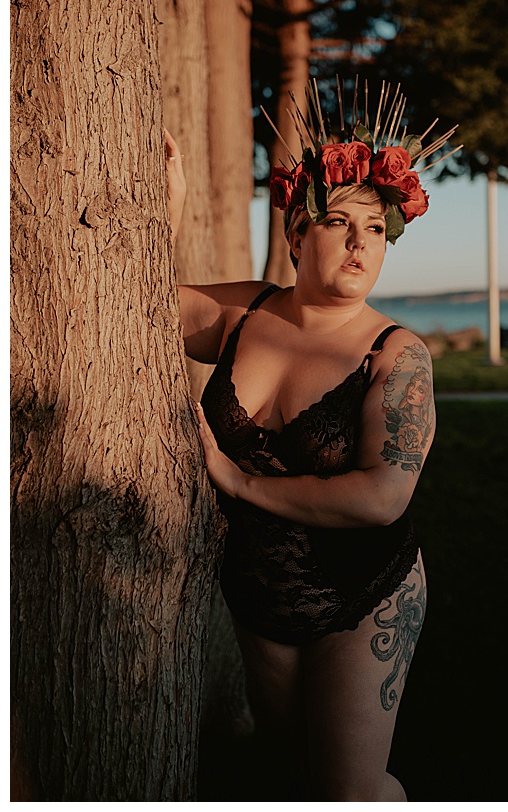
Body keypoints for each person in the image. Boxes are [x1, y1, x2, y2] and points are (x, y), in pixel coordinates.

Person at [164, 82, 457, 800]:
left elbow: (382, 494)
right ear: (297, 234)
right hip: (259, 594)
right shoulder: (246, 314)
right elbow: (138, 302)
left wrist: (240, 484)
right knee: (295, 779)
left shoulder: (395, 353)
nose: (361, 244)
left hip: (361, 595)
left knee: (348, 793)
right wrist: (162, 209)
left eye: (377, 230)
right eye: (338, 223)